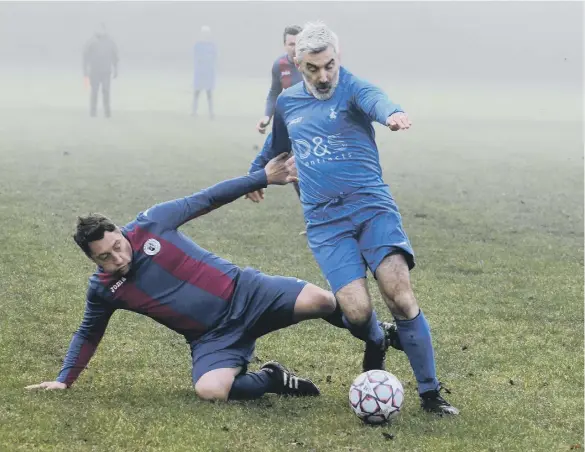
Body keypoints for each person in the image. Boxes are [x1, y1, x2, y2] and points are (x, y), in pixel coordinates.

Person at [25, 153, 399, 401]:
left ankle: (376, 334)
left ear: (121, 232)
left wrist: (262, 177)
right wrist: (64, 378)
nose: (117, 257)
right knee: (211, 391)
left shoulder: (153, 222)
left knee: (326, 301)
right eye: (104, 257)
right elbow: (88, 333)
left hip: (248, 292)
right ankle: (271, 378)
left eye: (117, 246)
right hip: (212, 338)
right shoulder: (104, 290)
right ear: (92, 260)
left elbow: (207, 198)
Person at [245, 22, 459, 415]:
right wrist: (255, 175)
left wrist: (393, 113)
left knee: (398, 292)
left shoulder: (353, 88)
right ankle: (376, 340)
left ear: (338, 58)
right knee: (357, 312)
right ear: (298, 62)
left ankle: (430, 394)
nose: (324, 75)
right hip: (325, 222)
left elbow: (377, 99)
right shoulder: (288, 103)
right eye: (313, 68)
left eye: (329, 65)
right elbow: (276, 145)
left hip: (372, 209)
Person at [254, 25, 305, 233]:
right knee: (295, 174)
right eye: (291, 44)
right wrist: (267, 116)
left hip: (310, 127)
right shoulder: (280, 65)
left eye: (298, 43)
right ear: (285, 45)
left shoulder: (311, 63)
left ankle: (324, 222)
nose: (295, 48)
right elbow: (274, 93)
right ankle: (314, 221)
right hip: (289, 127)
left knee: (310, 173)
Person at [83, 23, 119, 118]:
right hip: (94, 71)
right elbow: (85, 57)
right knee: (94, 92)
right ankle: (93, 113)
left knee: (106, 92)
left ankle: (107, 113)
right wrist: (85, 71)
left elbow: (115, 56)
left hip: (106, 71)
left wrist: (115, 69)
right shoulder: (91, 42)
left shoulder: (110, 42)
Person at [192, 25, 217, 119]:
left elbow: (214, 58)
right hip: (200, 72)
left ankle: (211, 112)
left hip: (208, 73)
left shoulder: (212, 46)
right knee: (197, 92)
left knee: (209, 93)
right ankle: (194, 111)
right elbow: (196, 58)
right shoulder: (198, 45)